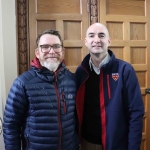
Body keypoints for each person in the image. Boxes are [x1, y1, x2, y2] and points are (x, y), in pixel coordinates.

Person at [3, 29, 79, 150]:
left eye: (56, 46)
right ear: (37, 53)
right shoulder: (22, 83)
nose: (51, 51)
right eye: (45, 47)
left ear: (63, 52)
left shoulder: (72, 80)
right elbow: (10, 125)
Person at [75, 23, 144, 150]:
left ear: (109, 41)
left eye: (101, 35)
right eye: (91, 36)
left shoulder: (125, 70)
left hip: (117, 144)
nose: (97, 40)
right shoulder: (81, 72)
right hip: (87, 143)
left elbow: (135, 112)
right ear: (86, 41)